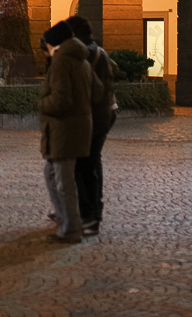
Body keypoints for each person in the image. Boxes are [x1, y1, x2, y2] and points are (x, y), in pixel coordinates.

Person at [38, 20, 93, 244]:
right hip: (76, 127)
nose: (47, 52)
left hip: (64, 129)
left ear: (54, 44)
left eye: (48, 47)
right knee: (53, 175)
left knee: (63, 182)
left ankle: (70, 229)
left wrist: (41, 102)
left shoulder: (61, 61)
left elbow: (61, 100)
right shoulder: (83, 61)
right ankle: (66, 221)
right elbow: (97, 92)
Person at [67, 15, 115, 238]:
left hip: (91, 117)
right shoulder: (100, 51)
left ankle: (89, 215)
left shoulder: (84, 54)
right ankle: (89, 211)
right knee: (91, 163)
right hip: (104, 115)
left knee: (82, 166)